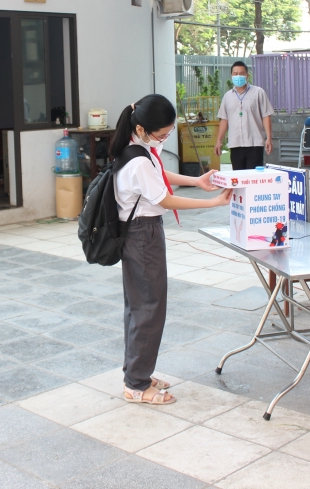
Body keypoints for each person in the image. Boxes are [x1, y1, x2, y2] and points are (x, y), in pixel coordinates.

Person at [111, 94, 232, 405]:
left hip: (139, 234)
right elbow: (165, 198)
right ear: (142, 129)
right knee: (149, 309)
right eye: (162, 134)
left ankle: (135, 373)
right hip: (142, 235)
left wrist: (197, 181)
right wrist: (213, 201)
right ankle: (137, 384)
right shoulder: (138, 159)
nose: (165, 139)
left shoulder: (136, 149)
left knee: (139, 307)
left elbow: (159, 178)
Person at [214, 61, 274, 170]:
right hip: (235, 144)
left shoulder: (258, 93)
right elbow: (224, 120)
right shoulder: (227, 97)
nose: (238, 76)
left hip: (254, 143)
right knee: (238, 179)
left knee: (253, 179)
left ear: (247, 75)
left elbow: (266, 116)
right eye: (235, 73)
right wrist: (219, 141)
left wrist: (269, 138)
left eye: (241, 73)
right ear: (231, 75)